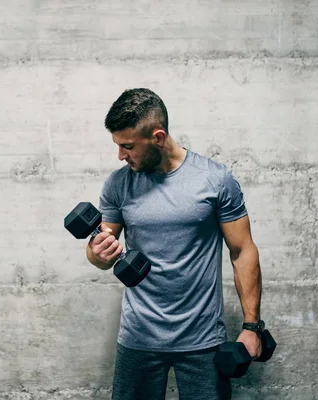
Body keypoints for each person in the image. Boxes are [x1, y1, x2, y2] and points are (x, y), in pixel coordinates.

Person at [85, 88, 263, 400]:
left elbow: (242, 250)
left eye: (127, 147)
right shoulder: (118, 184)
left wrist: (252, 326)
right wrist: (97, 253)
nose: (121, 156)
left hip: (203, 340)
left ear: (158, 137)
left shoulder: (214, 180)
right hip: (139, 336)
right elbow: (100, 247)